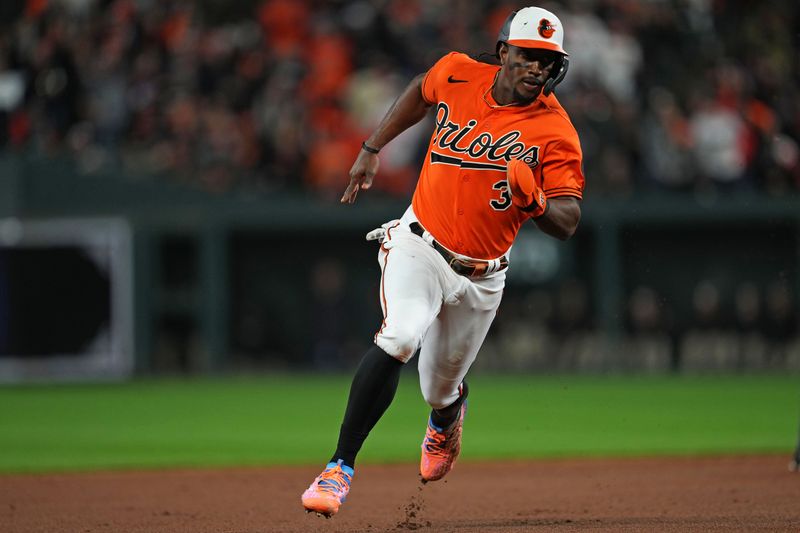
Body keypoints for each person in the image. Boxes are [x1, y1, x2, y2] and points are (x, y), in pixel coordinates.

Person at [301, 6, 585, 517]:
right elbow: (419, 88)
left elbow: (568, 220)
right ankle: (338, 468)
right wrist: (372, 146)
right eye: (528, 56)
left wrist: (538, 202)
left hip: (484, 274)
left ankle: (447, 418)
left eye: (547, 61)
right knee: (402, 335)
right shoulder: (458, 71)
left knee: (438, 389)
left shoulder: (555, 130)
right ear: (504, 53)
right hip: (420, 244)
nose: (537, 69)